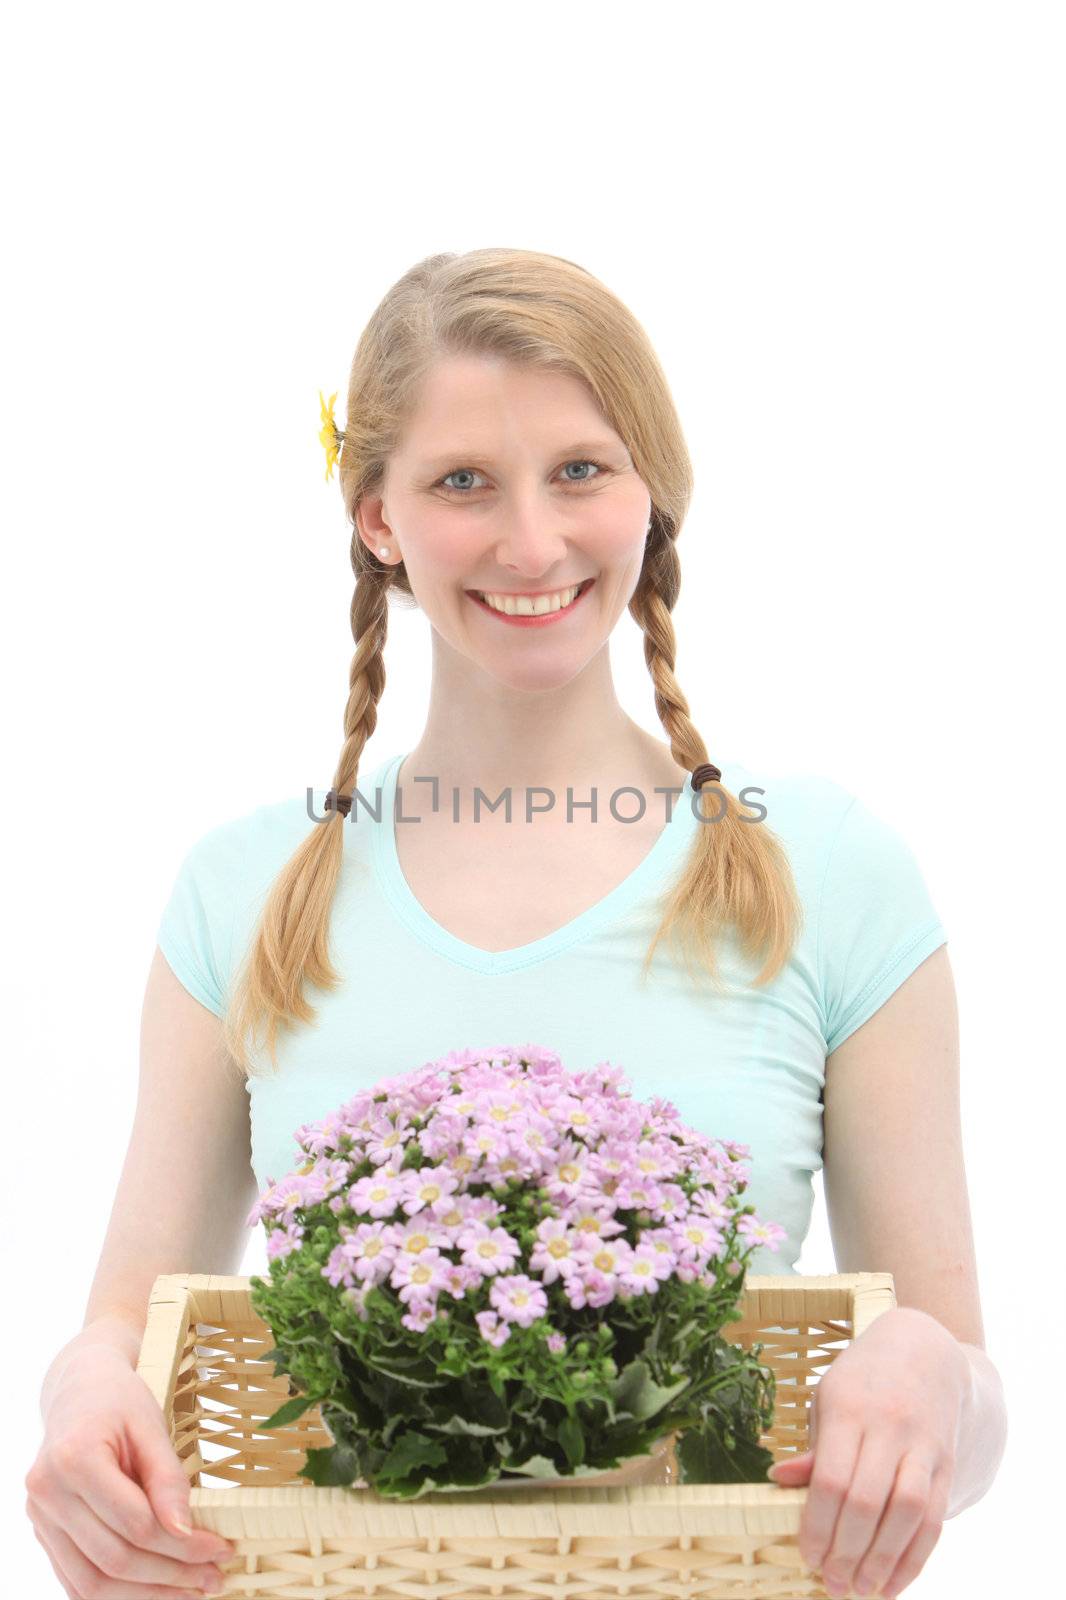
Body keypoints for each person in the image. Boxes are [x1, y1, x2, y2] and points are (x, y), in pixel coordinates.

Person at [25, 247, 971, 1595]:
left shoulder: (820, 870)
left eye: (580, 469)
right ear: (377, 518)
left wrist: (933, 1377)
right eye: (462, 481)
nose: (533, 543)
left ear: (652, 493)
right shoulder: (241, 892)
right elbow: (124, 1336)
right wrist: (78, 1401)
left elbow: (965, 1397)